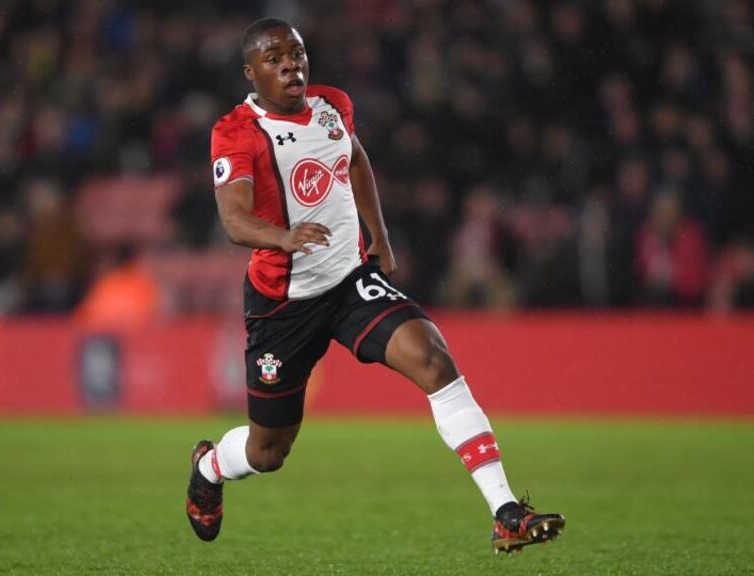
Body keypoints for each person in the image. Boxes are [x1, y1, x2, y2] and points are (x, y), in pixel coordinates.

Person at [185, 18, 565, 554]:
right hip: (283, 305)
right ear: (251, 73)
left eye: (296, 53)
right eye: (274, 58)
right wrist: (284, 237)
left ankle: (505, 511)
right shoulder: (236, 132)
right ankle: (210, 466)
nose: (291, 64)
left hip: (349, 282)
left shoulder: (333, 105)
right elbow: (233, 219)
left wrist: (378, 235)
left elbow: (356, 159)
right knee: (269, 450)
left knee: (434, 360)